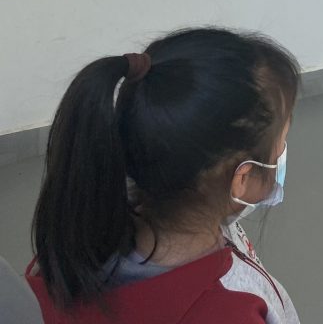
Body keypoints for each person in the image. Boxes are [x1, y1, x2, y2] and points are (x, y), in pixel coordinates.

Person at [25, 27, 301, 323]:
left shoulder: (75, 241)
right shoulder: (234, 309)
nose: (282, 152)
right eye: (281, 142)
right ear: (241, 179)